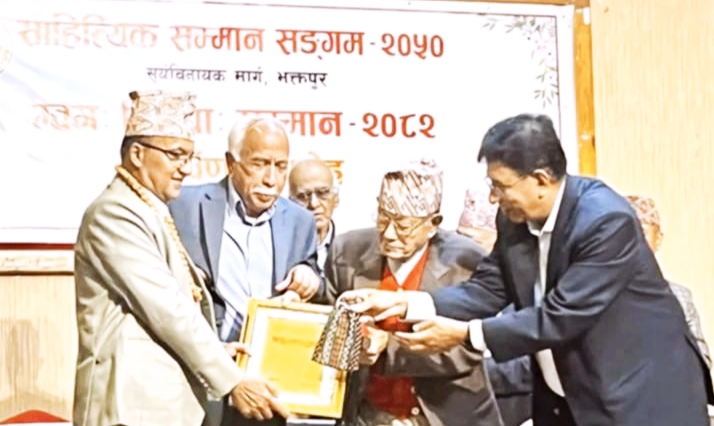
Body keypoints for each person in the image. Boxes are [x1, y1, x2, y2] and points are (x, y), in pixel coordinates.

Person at [339, 114, 714, 426]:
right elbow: (488, 289)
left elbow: (560, 317)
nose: (493, 197)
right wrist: (404, 303)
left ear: (541, 180)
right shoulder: (515, 218)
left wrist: (465, 335)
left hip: (641, 398)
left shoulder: (605, 222)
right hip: (567, 398)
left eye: (500, 186)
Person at [73, 90, 288, 426]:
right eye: (175, 155)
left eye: (189, 157)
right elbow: (167, 310)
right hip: (130, 407)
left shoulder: (149, 208)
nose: (185, 169)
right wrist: (232, 379)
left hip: (160, 406)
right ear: (138, 154)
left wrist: (218, 350)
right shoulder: (114, 214)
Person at [325, 159, 503, 426]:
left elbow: (468, 347)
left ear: (433, 224)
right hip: (366, 413)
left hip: (444, 416)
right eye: (383, 217)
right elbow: (325, 324)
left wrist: (388, 347)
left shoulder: (466, 262)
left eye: (402, 225)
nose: (388, 233)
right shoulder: (347, 251)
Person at [170, 116, 321, 426]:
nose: (271, 179)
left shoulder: (300, 221)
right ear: (231, 163)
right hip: (205, 380)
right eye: (259, 164)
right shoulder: (184, 206)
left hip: (269, 388)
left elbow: (313, 271)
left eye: (281, 166)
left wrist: (307, 277)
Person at [456, 188, 533, 426]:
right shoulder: (454, 286)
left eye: (473, 241)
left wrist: (471, 372)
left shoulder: (529, 290)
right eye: (460, 238)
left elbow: (533, 365)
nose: (463, 250)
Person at [626, 194, 711, 369]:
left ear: (658, 239)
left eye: (644, 232)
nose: (636, 241)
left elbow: (702, 359)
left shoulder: (680, 297)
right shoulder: (598, 294)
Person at [289, 157, 339, 276]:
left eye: (322, 193)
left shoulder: (350, 247)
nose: (314, 204)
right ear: (290, 203)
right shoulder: (282, 249)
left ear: (336, 199)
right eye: (303, 196)